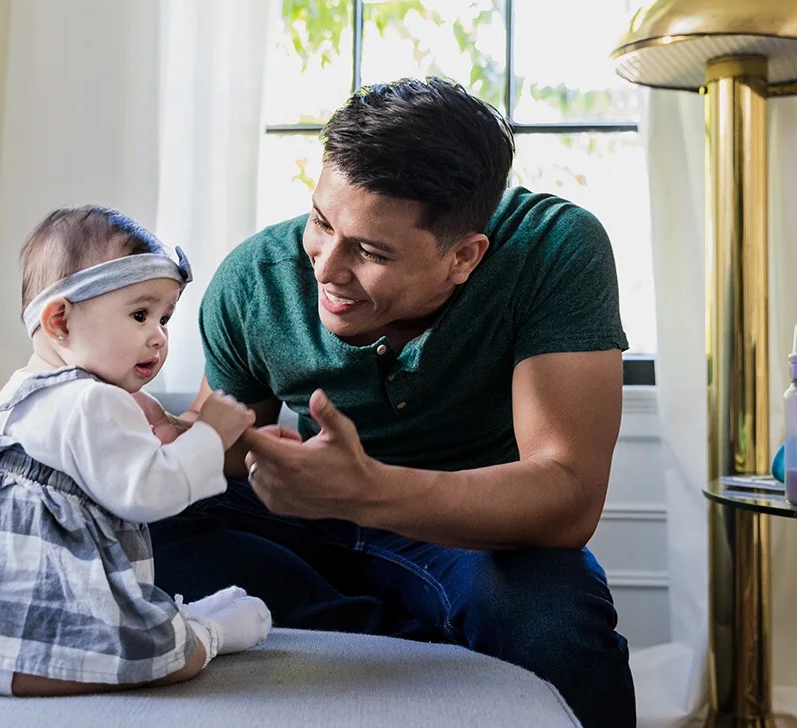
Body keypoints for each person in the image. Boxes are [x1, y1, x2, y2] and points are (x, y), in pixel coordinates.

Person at [149, 77, 635, 727]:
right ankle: (409, 651)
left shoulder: (552, 250)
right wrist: (168, 440)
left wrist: (366, 488)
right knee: (131, 527)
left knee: (554, 623)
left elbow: (568, 496)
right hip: (308, 521)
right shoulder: (255, 280)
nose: (325, 267)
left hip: (477, 535)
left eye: (371, 252)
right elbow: (226, 453)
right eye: (321, 222)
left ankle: (406, 657)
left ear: (464, 256)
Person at [0, 206, 272, 697]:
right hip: (26, 646)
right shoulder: (93, 401)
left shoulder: (24, 390)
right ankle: (209, 632)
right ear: (60, 322)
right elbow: (149, 494)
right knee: (161, 658)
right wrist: (211, 436)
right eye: (139, 315)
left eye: (164, 318)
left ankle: (177, 620)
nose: (158, 336)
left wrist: (162, 427)